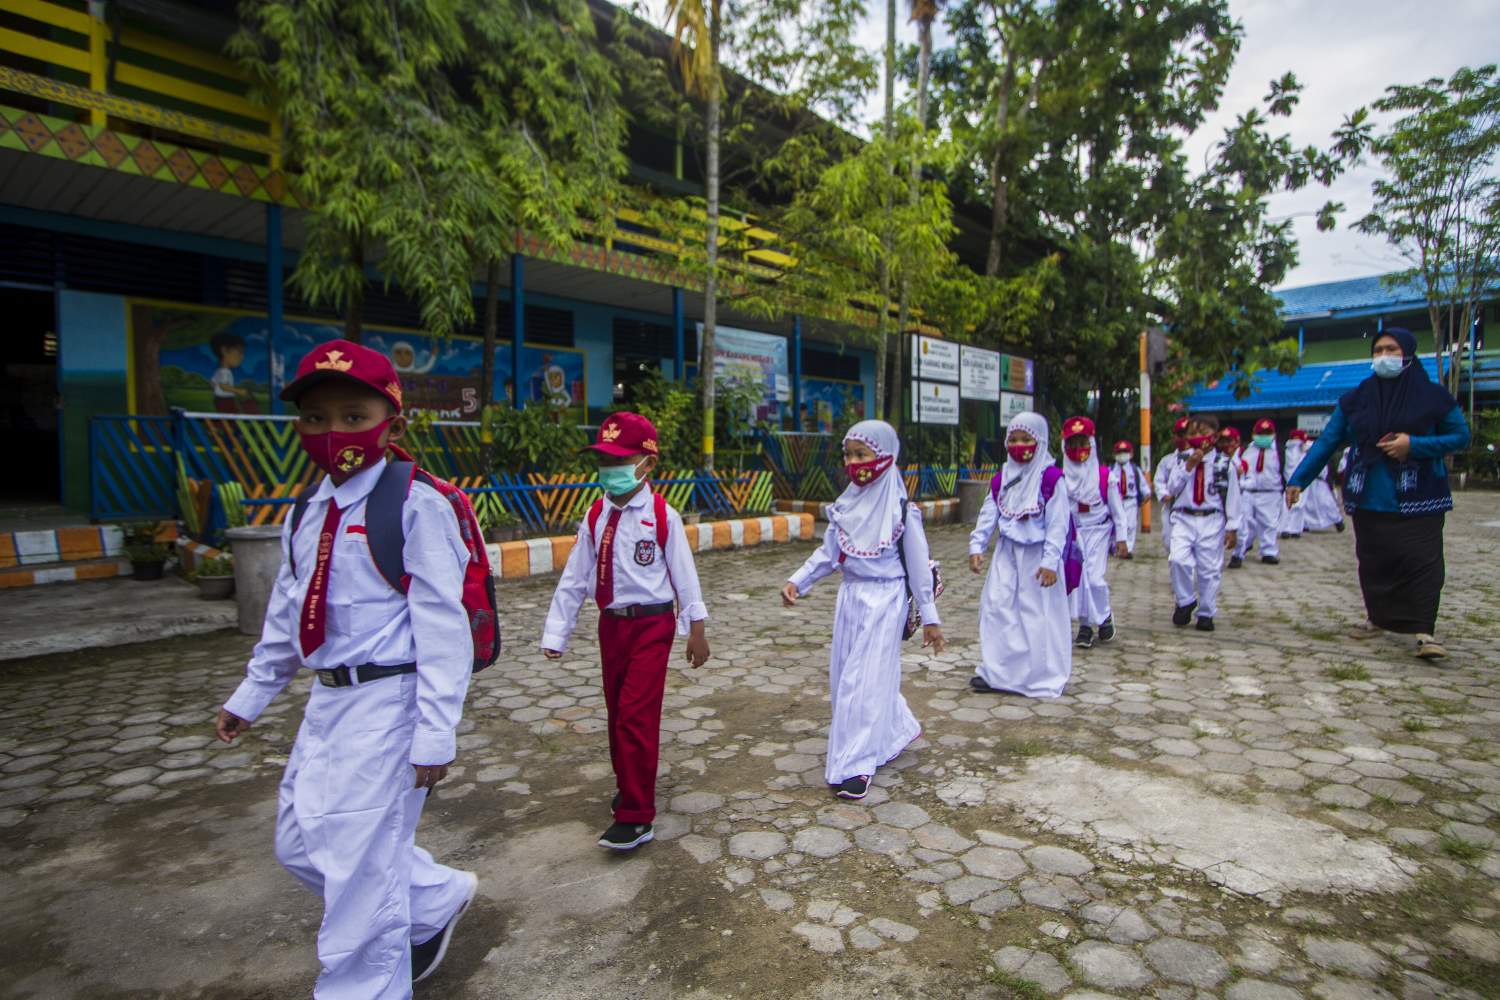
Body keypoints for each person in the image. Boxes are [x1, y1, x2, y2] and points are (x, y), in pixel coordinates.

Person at [214, 339, 478, 997]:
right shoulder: (306, 512)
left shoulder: (417, 504)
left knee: (357, 875)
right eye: (316, 418)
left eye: (353, 416)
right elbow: (288, 608)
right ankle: (435, 898)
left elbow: (445, 630)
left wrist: (435, 732)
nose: (333, 433)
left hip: (391, 699)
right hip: (328, 703)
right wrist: (253, 692)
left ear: (393, 421)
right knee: (299, 844)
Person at [542, 412, 711, 849]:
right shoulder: (596, 513)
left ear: (647, 464)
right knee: (618, 714)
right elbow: (575, 576)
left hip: (652, 625)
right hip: (611, 627)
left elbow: (684, 574)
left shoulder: (661, 515)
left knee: (636, 716)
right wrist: (556, 633)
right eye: (603, 459)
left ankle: (637, 815)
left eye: (621, 459)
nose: (610, 469)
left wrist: (696, 628)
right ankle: (628, 784)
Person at [782, 420, 944, 800]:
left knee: (863, 681)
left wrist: (930, 618)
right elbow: (829, 555)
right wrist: (798, 581)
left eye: (862, 454)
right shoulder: (844, 507)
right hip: (851, 601)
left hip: (885, 603)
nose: (854, 463)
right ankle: (898, 727)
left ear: (886, 457)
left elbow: (919, 568)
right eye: (849, 454)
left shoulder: (903, 512)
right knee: (846, 679)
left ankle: (856, 765)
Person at [1286, 328, 1469, 659]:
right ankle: (1376, 619)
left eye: (1392, 349)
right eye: (1379, 349)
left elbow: (1460, 437)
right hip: (1369, 493)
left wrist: (1413, 444)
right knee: (1373, 561)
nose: (1384, 355)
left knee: (1422, 563)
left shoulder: (1433, 398)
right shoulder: (1356, 399)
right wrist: (1299, 479)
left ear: (1408, 354)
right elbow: (1329, 441)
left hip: (1420, 496)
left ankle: (1424, 632)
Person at [967, 411, 1073, 698]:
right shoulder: (1002, 478)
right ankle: (997, 672)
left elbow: (1058, 524)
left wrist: (1051, 562)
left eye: (1026, 439)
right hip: (1006, 554)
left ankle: (1039, 676)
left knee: (1036, 616)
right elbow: (989, 512)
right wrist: (977, 546)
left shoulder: (1052, 478)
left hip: (1038, 558)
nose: (1019, 445)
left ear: (1040, 441)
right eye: (1013, 439)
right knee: (996, 608)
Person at [1166, 414, 1241, 632]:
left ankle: (1206, 612)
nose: (1197, 437)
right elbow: (1172, 488)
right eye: (1192, 434)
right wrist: (1189, 465)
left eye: (1203, 433)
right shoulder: (1181, 460)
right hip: (1184, 517)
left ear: (1214, 437)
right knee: (1177, 559)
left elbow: (1233, 496)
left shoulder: (1224, 464)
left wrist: (1232, 527)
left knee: (1209, 569)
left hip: (1212, 519)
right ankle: (1185, 600)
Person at [1061, 416, 1127, 648]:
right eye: (1073, 444)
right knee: (1080, 580)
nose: (1078, 449)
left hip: (1098, 530)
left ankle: (1105, 614)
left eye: (1083, 443)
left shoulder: (1104, 475)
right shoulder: (1061, 478)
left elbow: (1118, 509)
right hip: (1074, 533)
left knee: (1095, 579)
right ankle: (1086, 626)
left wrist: (1122, 538)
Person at [1233, 417, 1285, 567]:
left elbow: (1285, 471)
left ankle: (1269, 552)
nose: (1264, 436)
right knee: (1245, 521)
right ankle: (1241, 550)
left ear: (1274, 434)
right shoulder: (1245, 450)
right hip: (1247, 491)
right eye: (1260, 433)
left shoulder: (1279, 451)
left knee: (1268, 522)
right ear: (1253, 434)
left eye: (1267, 433)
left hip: (1270, 492)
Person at [1154, 417, 1192, 555]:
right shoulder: (1167, 461)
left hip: (1190, 506)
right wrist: (1164, 494)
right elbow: (1159, 480)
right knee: (1168, 539)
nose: (1179, 438)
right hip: (1171, 506)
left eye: (1183, 434)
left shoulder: (1199, 459)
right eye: (1177, 435)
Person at [1108, 439, 1151, 559]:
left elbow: (1143, 486)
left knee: (1130, 525)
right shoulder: (1111, 470)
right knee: (1115, 524)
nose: (1122, 455)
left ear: (1131, 453)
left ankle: (1128, 549)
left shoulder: (1134, 470)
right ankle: (1114, 546)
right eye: (1119, 452)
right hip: (1116, 500)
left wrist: (1145, 497)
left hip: (1130, 500)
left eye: (1125, 452)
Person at [1298, 429, 1347, 533]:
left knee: (1327, 503)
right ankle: (1305, 525)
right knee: (1307, 505)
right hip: (1309, 483)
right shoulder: (1300, 450)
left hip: (1319, 482)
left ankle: (1338, 521)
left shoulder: (1318, 450)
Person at [1280, 429, 1310, 537]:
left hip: (1292, 481)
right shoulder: (1294, 449)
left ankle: (1291, 529)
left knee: (1292, 505)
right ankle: (1291, 529)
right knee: (1295, 505)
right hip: (1298, 481)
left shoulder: (1289, 448)